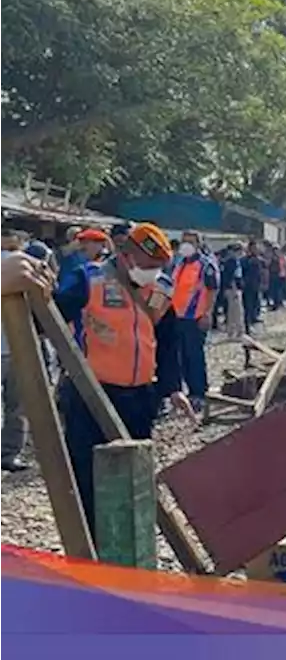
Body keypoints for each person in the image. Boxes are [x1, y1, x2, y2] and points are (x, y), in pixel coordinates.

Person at [55, 223, 191, 539]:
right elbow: (53, 313)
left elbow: (168, 342)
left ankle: (130, 539)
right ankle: (91, 543)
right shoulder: (89, 279)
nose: (152, 273)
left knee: (134, 473)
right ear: (126, 256)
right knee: (88, 473)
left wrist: (172, 388)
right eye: (147, 266)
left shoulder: (161, 290)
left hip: (141, 396)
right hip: (91, 394)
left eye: (158, 267)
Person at [0, 240, 55, 474]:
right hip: (13, 348)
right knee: (17, 407)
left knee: (18, 407)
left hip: (17, 348)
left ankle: (9, 454)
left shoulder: (23, 266)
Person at [170, 231, 219, 413]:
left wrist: (207, 313)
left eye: (190, 242)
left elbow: (213, 290)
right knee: (181, 357)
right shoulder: (179, 263)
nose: (186, 245)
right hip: (177, 317)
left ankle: (199, 392)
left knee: (194, 356)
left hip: (195, 317)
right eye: (184, 241)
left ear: (198, 244)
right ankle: (188, 392)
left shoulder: (206, 265)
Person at [218, 243, 246, 337]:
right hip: (233, 289)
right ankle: (237, 331)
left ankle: (233, 330)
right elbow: (231, 277)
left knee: (233, 311)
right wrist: (234, 289)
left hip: (233, 288)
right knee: (236, 311)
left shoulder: (233, 261)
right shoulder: (232, 261)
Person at [240, 239, 264, 331]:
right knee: (248, 307)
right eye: (253, 248)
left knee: (256, 305)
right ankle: (247, 326)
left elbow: (261, 272)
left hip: (256, 286)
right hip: (247, 287)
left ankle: (253, 320)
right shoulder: (244, 260)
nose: (255, 249)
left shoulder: (258, 260)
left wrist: (262, 283)